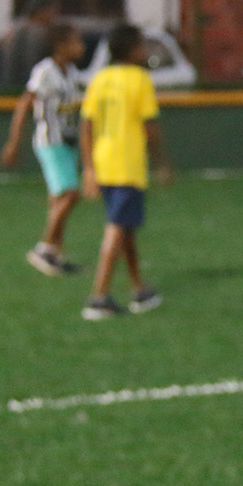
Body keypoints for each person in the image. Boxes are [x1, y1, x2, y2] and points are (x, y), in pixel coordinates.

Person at [79, 24, 172, 319]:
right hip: (127, 164)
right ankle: (99, 296)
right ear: (132, 50)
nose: (145, 52)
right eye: (142, 46)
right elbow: (150, 127)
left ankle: (139, 289)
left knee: (126, 227)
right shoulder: (140, 80)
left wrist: (89, 168)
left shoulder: (100, 78)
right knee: (117, 226)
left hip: (104, 161)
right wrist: (161, 162)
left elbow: (86, 124)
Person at [0, 22, 88, 276]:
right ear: (60, 46)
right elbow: (25, 104)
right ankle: (44, 248)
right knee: (70, 195)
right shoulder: (45, 71)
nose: (80, 46)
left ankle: (55, 253)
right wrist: (14, 142)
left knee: (59, 199)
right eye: (75, 41)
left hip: (68, 142)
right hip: (51, 142)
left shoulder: (71, 71)